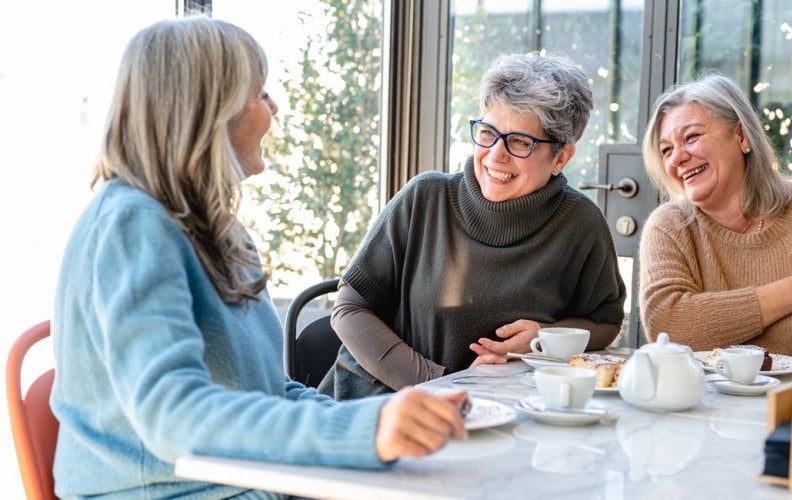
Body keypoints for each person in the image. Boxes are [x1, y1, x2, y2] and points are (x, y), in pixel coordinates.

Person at [50, 16, 467, 499]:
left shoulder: (221, 233)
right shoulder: (132, 226)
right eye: (260, 93)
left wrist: (383, 420)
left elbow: (270, 391)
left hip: (241, 482)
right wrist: (363, 432)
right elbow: (171, 415)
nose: (274, 108)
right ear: (208, 111)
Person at [319, 52, 627, 400]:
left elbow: (604, 322)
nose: (496, 155)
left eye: (520, 142)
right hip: (381, 405)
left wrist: (545, 336)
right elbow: (349, 308)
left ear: (561, 157)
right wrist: (443, 383)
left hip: (505, 414)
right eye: (488, 132)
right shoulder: (426, 197)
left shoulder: (579, 223)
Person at [637, 73, 792, 383]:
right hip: (698, 407)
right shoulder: (669, 227)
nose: (678, 157)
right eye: (666, 150)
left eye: (691, 137)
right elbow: (669, 325)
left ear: (741, 136)